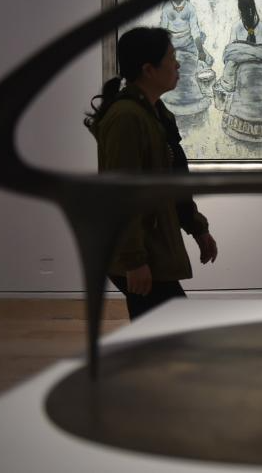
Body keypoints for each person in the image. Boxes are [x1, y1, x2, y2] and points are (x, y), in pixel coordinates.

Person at [84, 27, 219, 319]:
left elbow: (173, 180)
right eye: (171, 57)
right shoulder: (126, 118)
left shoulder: (155, 112)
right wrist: (133, 261)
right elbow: (122, 194)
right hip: (138, 252)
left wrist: (197, 227)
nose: (178, 64)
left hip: (151, 246)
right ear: (148, 69)